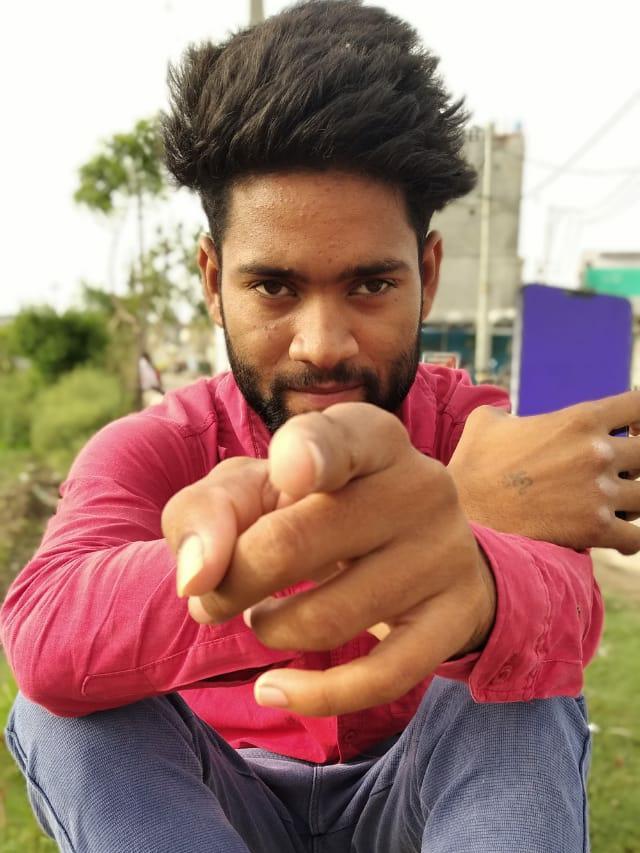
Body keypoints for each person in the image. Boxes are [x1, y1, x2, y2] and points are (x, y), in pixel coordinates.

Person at [2, 2, 640, 850]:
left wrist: (460, 548)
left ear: (428, 273)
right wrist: (436, 513)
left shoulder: (476, 431)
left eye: (371, 285)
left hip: (416, 797)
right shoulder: (151, 446)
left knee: (524, 679)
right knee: (61, 711)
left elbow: (566, 613)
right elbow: (43, 635)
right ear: (212, 280)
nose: (323, 343)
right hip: (217, 798)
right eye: (273, 287)